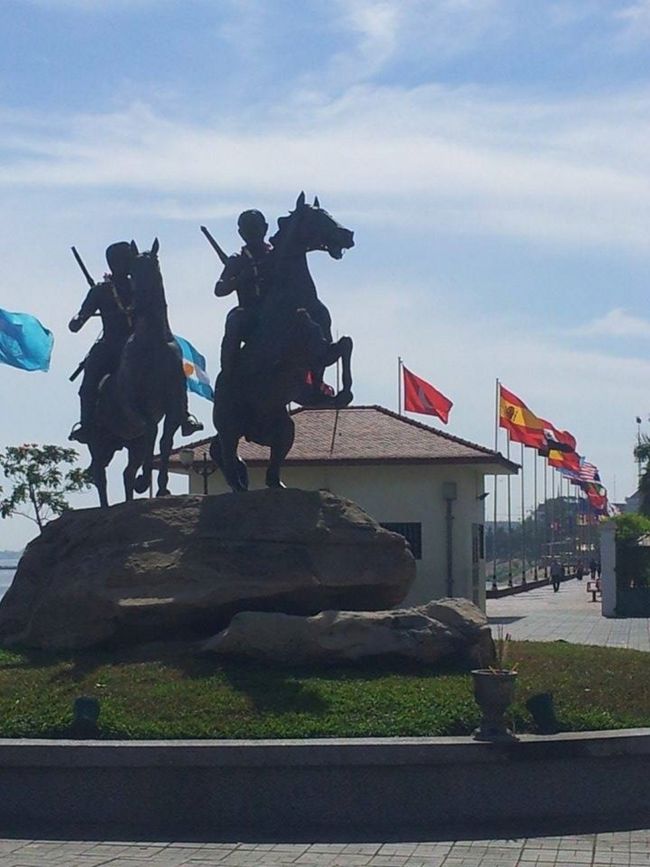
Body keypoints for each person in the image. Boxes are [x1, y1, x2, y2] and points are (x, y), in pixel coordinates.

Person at [70, 241, 202, 443]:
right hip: (110, 345)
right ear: (112, 264)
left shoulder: (140, 286)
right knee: (89, 380)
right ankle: (86, 424)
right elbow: (81, 316)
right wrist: (79, 319)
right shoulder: (100, 290)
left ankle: (183, 415)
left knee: (175, 368)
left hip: (140, 344)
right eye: (120, 261)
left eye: (127, 261)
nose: (124, 265)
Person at [214, 210, 273, 379]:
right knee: (234, 322)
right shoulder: (237, 259)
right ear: (241, 233)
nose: (253, 233)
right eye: (248, 229)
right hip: (250, 312)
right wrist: (240, 279)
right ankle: (228, 375)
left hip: (276, 311)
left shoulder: (275, 255)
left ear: (265, 228)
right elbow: (219, 289)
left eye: (256, 228)